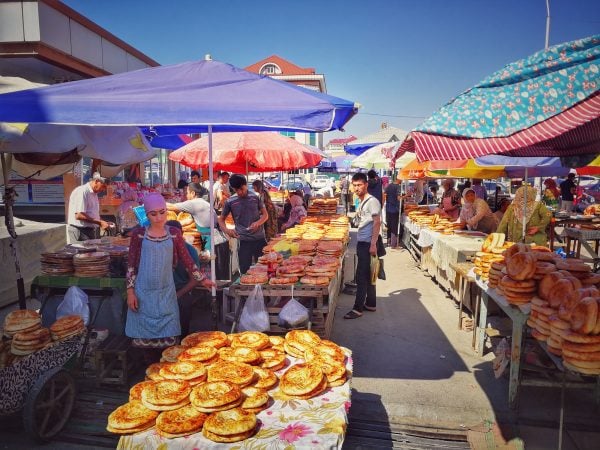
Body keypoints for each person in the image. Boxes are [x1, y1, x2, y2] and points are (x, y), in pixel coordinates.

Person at [125, 193, 213, 362]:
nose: (158, 218)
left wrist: (203, 279)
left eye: (162, 212)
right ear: (146, 214)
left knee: (171, 348)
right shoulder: (138, 235)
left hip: (167, 295)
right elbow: (131, 266)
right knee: (146, 351)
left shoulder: (173, 233)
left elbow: (188, 261)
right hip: (143, 296)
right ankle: (149, 378)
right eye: (153, 213)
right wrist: (130, 292)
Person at [344, 172, 381, 320]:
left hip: (367, 243)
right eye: (355, 185)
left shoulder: (372, 201)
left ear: (366, 184)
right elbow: (363, 220)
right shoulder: (362, 201)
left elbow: (377, 222)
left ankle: (357, 308)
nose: (357, 188)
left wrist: (373, 244)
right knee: (369, 273)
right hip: (365, 241)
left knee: (361, 276)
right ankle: (371, 303)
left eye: (360, 185)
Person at [218, 174, 268, 274]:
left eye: (242, 189)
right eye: (237, 190)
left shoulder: (255, 197)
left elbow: (265, 215)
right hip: (243, 241)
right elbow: (221, 219)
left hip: (260, 239)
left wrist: (258, 223)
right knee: (245, 271)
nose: (240, 192)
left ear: (246, 185)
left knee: (265, 269)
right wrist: (227, 231)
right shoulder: (230, 201)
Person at [165, 220, 201, 336]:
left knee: (181, 324)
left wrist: (178, 294)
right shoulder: (161, 248)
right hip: (162, 290)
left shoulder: (189, 250)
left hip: (182, 290)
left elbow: (195, 279)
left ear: (181, 233)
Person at [67, 172, 114, 242]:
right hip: (80, 231)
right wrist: (100, 222)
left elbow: (92, 213)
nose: (104, 189)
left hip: (89, 231)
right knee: (81, 252)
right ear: (96, 181)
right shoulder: (82, 191)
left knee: (91, 252)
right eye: (103, 186)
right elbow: (79, 215)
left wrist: (103, 222)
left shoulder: (94, 194)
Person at [384, 177, 401, 247]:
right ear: (398, 179)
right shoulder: (398, 187)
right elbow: (398, 198)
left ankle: (388, 241)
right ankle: (393, 244)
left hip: (388, 208)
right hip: (395, 209)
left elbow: (384, 195)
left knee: (389, 225)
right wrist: (407, 195)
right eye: (401, 179)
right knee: (394, 226)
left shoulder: (388, 186)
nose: (401, 181)